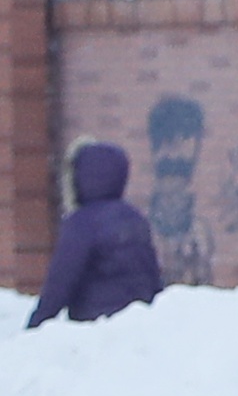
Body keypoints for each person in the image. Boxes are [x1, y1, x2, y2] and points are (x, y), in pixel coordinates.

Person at [28, 140, 163, 326]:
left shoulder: (81, 223)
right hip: (138, 325)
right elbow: (152, 274)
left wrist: (36, 326)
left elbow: (61, 281)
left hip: (95, 325)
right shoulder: (135, 218)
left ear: (81, 177)